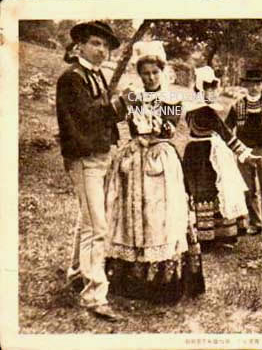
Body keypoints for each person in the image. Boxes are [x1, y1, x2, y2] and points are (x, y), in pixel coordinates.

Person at [104, 41, 205, 304]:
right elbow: (109, 117)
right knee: (131, 214)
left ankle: (162, 279)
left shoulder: (172, 98)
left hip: (160, 158)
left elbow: (168, 129)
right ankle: (129, 276)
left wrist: (148, 118)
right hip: (133, 159)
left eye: (154, 73)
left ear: (162, 72)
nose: (149, 78)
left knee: (160, 216)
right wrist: (121, 103)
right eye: (145, 73)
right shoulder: (133, 95)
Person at [56, 21, 127, 321]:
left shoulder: (95, 75)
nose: (102, 50)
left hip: (99, 155)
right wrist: (119, 106)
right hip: (84, 157)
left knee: (87, 219)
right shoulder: (72, 78)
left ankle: (76, 273)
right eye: (96, 43)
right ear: (80, 46)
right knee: (97, 227)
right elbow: (85, 117)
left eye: (106, 46)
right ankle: (95, 294)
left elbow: (101, 118)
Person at [182, 66, 257, 248]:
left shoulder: (192, 109)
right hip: (205, 155)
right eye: (209, 88)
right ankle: (212, 235)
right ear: (201, 90)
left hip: (195, 152)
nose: (213, 92)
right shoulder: (205, 111)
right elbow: (225, 134)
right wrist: (244, 153)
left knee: (202, 190)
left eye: (214, 88)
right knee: (210, 189)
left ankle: (208, 233)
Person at [225, 66, 262, 240]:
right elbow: (227, 128)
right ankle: (254, 223)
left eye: (257, 84)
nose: (254, 88)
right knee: (248, 190)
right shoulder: (237, 105)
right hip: (244, 152)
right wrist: (229, 147)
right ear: (246, 85)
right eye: (251, 84)